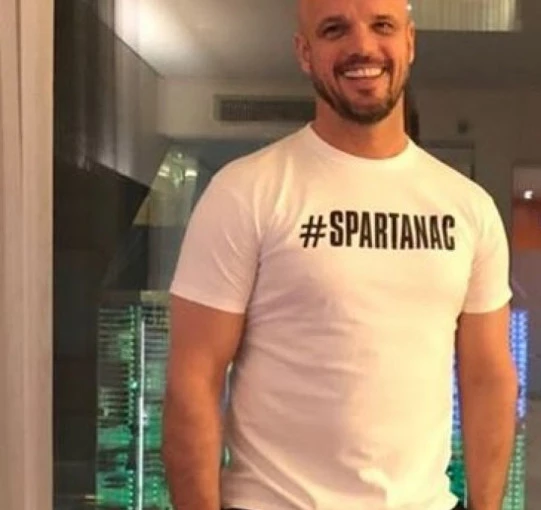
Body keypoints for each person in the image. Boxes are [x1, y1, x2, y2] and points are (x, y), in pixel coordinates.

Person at [160, 0, 518, 509]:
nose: (362, 46)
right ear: (304, 52)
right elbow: (193, 381)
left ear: (410, 42)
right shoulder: (246, 192)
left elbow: (487, 379)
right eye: (334, 30)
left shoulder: (468, 208)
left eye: (382, 26)